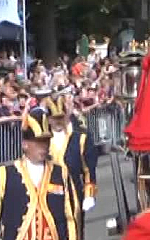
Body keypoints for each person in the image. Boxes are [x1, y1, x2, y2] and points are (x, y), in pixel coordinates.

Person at [0, 109, 79, 240]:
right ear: (25, 144)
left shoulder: (61, 173)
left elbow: (71, 216)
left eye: (46, 141)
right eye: (38, 142)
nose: (43, 146)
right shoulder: (6, 175)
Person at [47, 94, 98, 238]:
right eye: (54, 118)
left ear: (66, 116)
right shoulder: (43, 141)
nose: (58, 122)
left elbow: (89, 169)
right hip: (49, 194)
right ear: (49, 119)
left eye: (60, 117)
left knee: (74, 230)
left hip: (73, 192)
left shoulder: (79, 138)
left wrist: (89, 194)